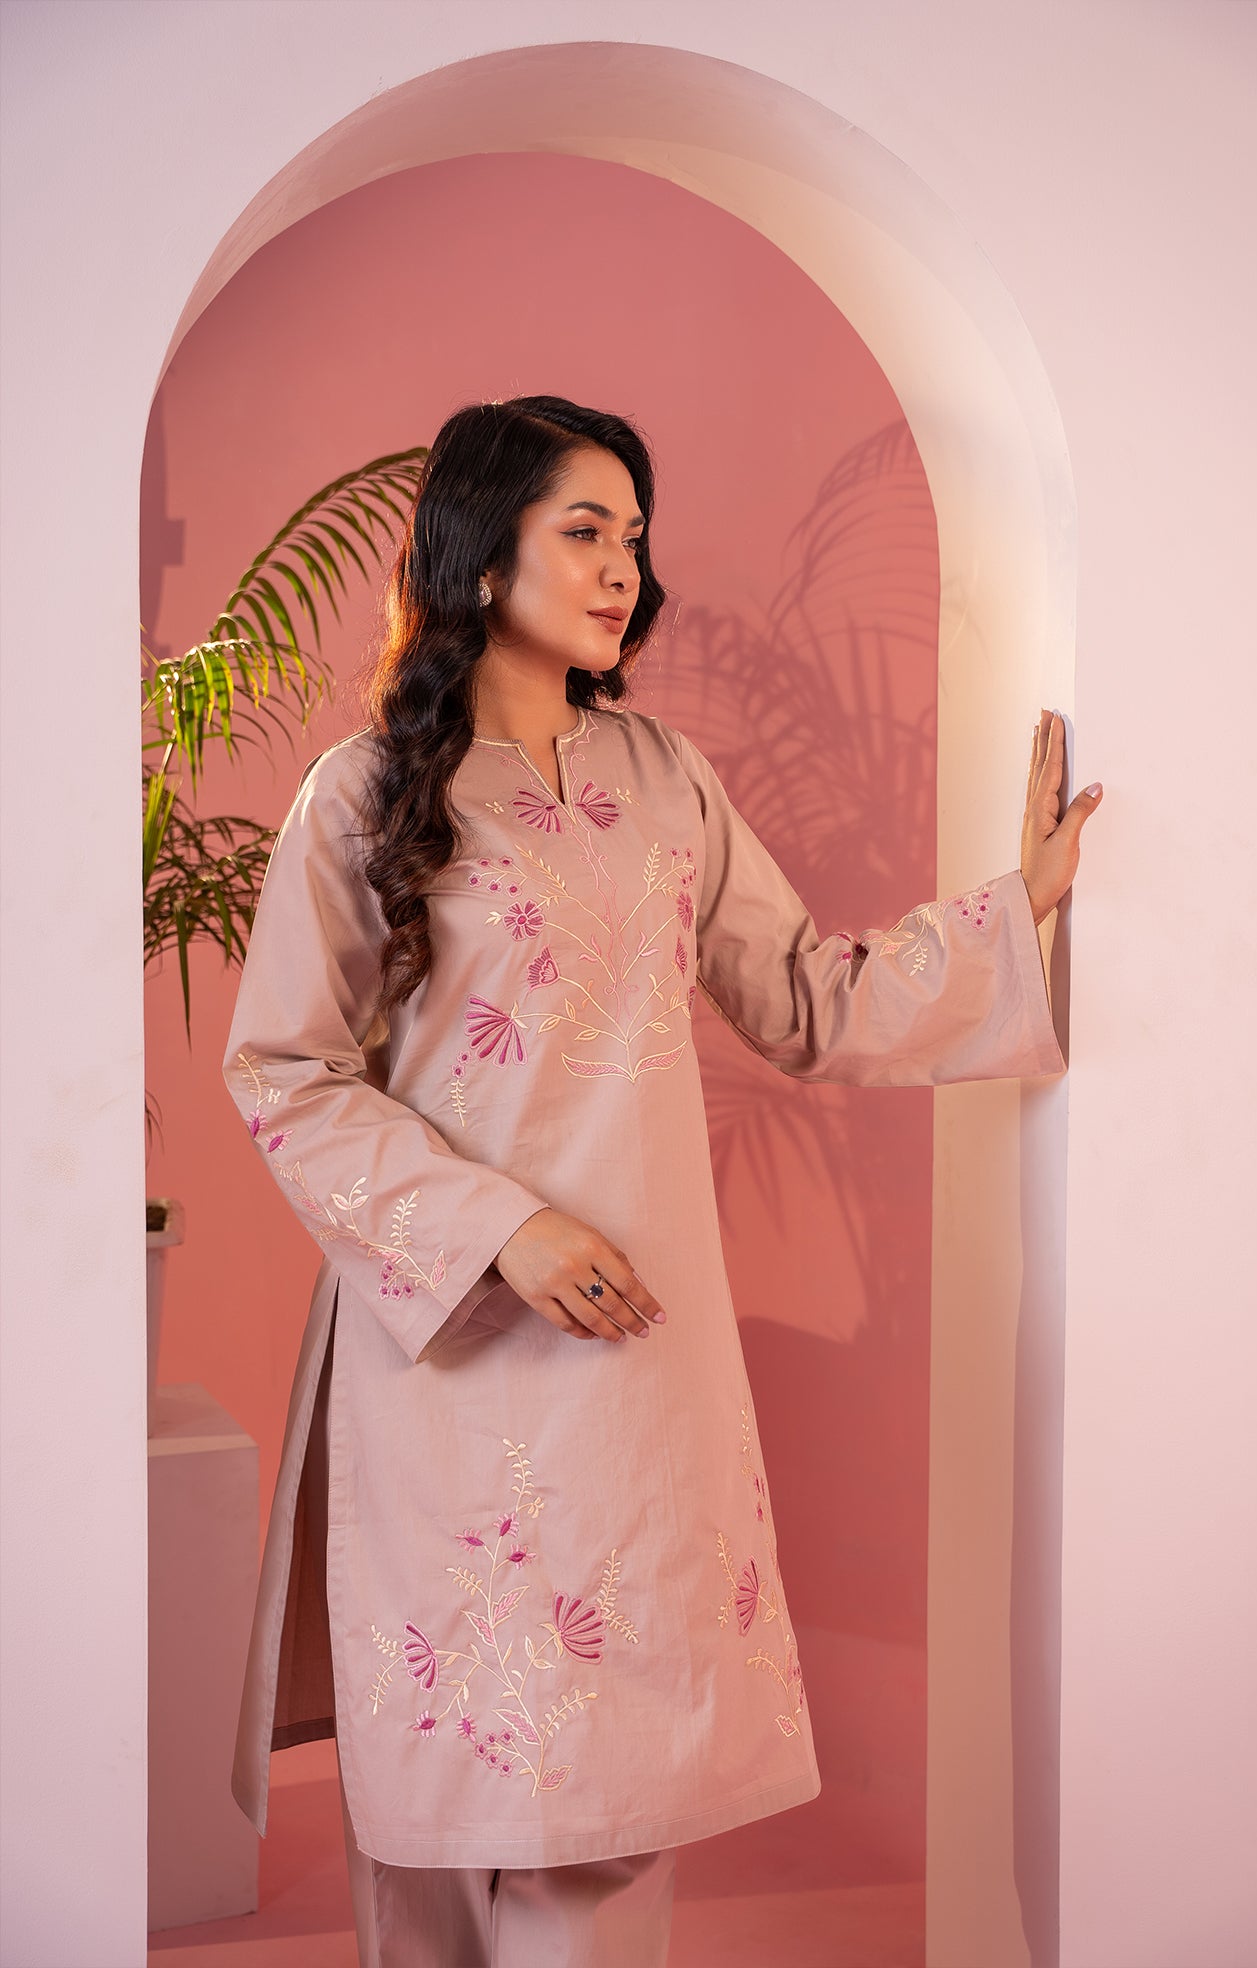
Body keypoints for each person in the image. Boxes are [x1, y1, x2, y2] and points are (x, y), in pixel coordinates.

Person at [221, 393, 1101, 1967]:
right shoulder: (362, 795)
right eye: (585, 530)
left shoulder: (662, 778)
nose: (623, 566)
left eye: (633, 535)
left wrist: (1012, 911)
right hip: (455, 1353)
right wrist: (506, 1230)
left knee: (614, 1802)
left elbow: (807, 996)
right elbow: (285, 1070)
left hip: (636, 1365)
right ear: (482, 555)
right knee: (446, 1813)